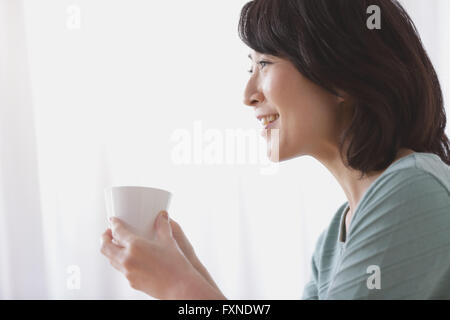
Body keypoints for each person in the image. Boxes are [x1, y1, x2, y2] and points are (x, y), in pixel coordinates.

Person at [100, 0, 450, 299]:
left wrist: (177, 285)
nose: (248, 93)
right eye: (249, 67)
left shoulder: (412, 189)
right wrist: (190, 271)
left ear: (340, 74)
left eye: (264, 64)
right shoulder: (335, 236)